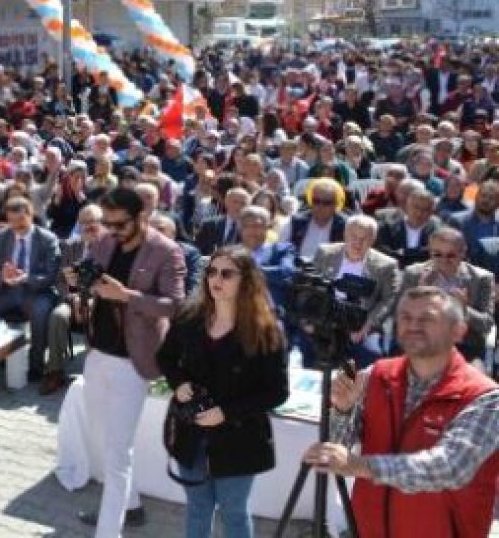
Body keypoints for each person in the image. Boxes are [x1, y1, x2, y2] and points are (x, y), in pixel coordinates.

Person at [304, 286, 499, 538]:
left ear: (458, 331)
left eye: (427, 318)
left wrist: (360, 466)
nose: (413, 325)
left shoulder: (485, 397)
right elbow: (337, 446)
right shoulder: (376, 375)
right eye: (405, 317)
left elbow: (450, 467)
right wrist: (342, 409)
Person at [157, 246, 289, 538]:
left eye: (226, 273)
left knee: (234, 513)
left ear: (247, 280)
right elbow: (165, 357)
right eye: (211, 272)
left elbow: (277, 392)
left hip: (239, 438)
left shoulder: (266, 330)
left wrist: (226, 413)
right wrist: (179, 384)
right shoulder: (190, 315)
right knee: (198, 507)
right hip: (192, 431)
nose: (216, 279)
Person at [78, 187, 186, 535]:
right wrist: (77, 282)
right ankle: (131, 505)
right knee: (97, 437)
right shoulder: (106, 242)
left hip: (133, 361)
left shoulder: (166, 251)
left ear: (141, 216)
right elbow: (91, 276)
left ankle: (109, 530)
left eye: (119, 223)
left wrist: (127, 297)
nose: (112, 230)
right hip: (98, 352)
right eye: (107, 223)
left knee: (117, 452)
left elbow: (175, 305)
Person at [0, 196, 61, 381]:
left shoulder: (47, 239)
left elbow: (51, 275)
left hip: (35, 291)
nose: (15, 226)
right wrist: (1, 276)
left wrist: (26, 278)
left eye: (20, 220)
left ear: (30, 215)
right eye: (11, 221)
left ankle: (36, 365)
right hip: (5, 290)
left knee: (41, 311)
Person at [309, 216, 402, 368]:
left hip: (362, 322)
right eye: (353, 236)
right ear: (345, 234)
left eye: (364, 238)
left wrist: (370, 322)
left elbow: (390, 299)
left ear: (373, 240)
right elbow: (312, 287)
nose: (358, 243)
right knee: (308, 348)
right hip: (325, 320)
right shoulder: (325, 253)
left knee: (372, 354)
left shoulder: (387, 265)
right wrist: (312, 318)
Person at [399, 228, 495, 364]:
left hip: (465, 348)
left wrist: (464, 309)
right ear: (430, 252)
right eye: (437, 254)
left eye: (451, 255)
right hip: (422, 342)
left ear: (462, 253)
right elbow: (400, 316)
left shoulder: (482, 278)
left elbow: (486, 324)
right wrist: (420, 294)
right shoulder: (414, 274)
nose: (444, 260)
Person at [42, 203, 105, 395]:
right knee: (57, 316)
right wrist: (72, 298)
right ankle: (55, 370)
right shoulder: (70, 246)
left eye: (93, 222)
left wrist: (91, 299)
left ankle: (96, 374)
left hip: (100, 302)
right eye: (83, 222)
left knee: (98, 316)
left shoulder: (110, 249)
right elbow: (59, 280)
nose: (88, 226)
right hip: (72, 300)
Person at [286, 178, 348, 262]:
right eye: (316, 201)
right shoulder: (295, 222)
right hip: (297, 270)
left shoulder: (346, 225)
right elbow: (282, 250)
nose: (320, 206)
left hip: (330, 272)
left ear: (336, 205)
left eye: (327, 203)